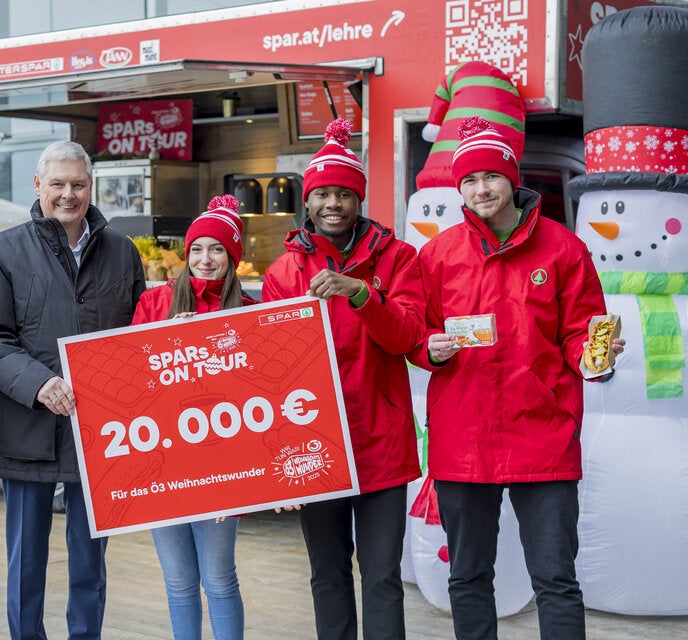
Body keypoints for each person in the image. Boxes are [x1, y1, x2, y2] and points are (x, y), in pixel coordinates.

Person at [408, 116, 626, 640]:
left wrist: (594, 356)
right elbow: (415, 332)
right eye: (469, 180)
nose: (481, 189)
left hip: (544, 431)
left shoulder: (563, 248)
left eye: (491, 177)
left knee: (556, 578)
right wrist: (427, 349)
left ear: (512, 178)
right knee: (468, 575)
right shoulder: (437, 254)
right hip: (464, 435)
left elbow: (580, 331)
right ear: (459, 188)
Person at [0, 139, 146, 640]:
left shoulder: (122, 252)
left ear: (91, 187)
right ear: (37, 186)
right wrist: (39, 383)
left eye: (78, 185)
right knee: (26, 563)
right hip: (28, 428)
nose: (68, 194)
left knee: (90, 563)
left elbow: (140, 334)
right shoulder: (5, 251)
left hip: (101, 434)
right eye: (58, 184)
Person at [262, 118, 426, 640]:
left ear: (359, 200)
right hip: (315, 446)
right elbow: (272, 368)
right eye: (323, 194)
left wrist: (361, 294)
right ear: (307, 201)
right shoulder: (283, 273)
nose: (333, 204)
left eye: (344, 194)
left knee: (382, 577)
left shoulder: (398, 259)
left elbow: (407, 337)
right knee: (327, 574)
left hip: (381, 440)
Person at [131, 194, 254, 640]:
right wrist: (164, 339)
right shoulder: (155, 303)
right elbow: (130, 381)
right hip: (163, 462)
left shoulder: (249, 313)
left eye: (217, 249)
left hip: (221, 468)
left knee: (219, 579)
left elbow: (257, 395)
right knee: (179, 582)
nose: (205, 259)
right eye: (197, 249)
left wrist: (245, 481)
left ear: (232, 256)